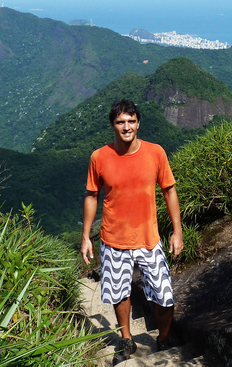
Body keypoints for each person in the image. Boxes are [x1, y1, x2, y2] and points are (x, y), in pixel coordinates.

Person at [80, 99, 184, 364]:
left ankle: (163, 337)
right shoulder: (99, 157)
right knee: (118, 293)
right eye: (120, 122)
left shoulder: (155, 153)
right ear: (113, 125)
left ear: (138, 123)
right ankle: (127, 339)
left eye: (131, 121)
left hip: (149, 238)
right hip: (113, 238)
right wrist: (85, 237)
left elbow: (169, 190)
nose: (126, 127)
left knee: (164, 294)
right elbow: (92, 196)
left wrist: (177, 231)